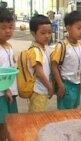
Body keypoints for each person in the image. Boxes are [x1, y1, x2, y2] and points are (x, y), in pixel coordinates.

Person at [51, 11, 81, 110]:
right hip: (66, 84)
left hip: (77, 84)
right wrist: (60, 84)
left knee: (74, 110)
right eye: (79, 28)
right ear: (68, 28)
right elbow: (54, 65)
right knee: (64, 112)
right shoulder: (62, 46)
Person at [28, 15, 53, 112]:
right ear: (33, 33)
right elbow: (39, 72)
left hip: (42, 89)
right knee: (36, 116)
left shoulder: (42, 48)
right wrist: (49, 87)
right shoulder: (35, 51)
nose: (47, 36)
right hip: (38, 90)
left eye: (49, 33)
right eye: (43, 33)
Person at [0, 7, 18, 141]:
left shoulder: (9, 46)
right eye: (3, 27)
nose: (8, 31)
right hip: (2, 93)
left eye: (10, 27)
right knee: (2, 123)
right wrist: (5, 89)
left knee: (11, 122)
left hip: (11, 91)